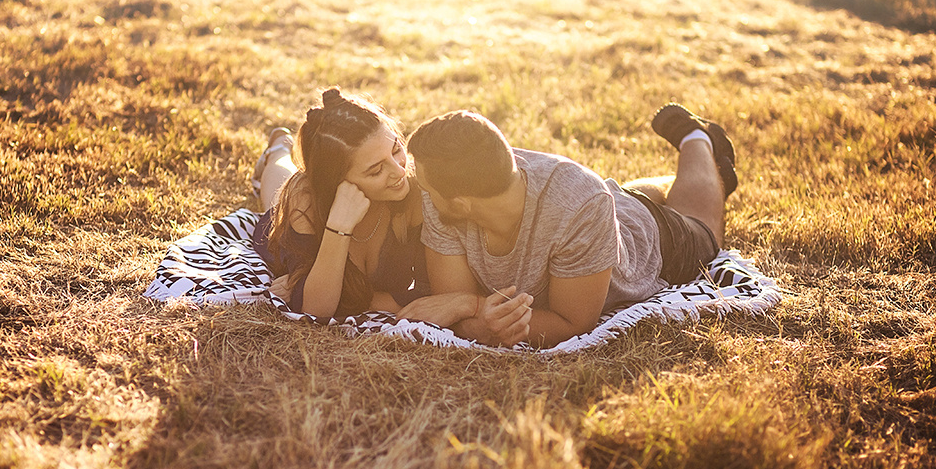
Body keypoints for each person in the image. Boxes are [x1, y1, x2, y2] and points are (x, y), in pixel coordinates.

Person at [406, 103, 737, 349]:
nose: (420, 190)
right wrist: (468, 310)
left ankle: (698, 138)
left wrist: (474, 308)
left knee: (704, 229)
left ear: (462, 203)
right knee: (614, 196)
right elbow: (450, 301)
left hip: (649, 237)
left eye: (427, 189)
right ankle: (636, 191)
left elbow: (572, 323)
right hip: (596, 206)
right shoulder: (447, 193)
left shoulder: (578, 206)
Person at [250, 87, 480, 325]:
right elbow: (316, 309)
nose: (399, 171)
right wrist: (339, 225)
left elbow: (431, 293)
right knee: (276, 199)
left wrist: (345, 298)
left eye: (395, 150)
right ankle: (278, 147)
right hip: (286, 235)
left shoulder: (415, 195)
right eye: (376, 170)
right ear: (338, 182)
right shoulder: (306, 200)